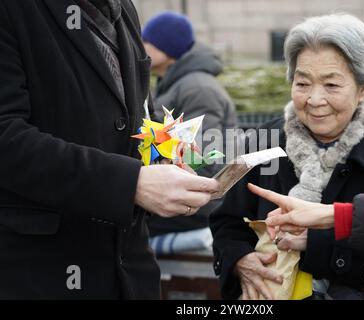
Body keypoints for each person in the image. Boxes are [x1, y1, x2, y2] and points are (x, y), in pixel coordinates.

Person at [0, 0, 218, 299]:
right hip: (39, 272)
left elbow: (137, 114)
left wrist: (167, 157)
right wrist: (131, 184)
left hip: (130, 270)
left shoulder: (123, 9)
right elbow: (7, 136)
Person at [209, 13, 364, 300]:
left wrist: (317, 247)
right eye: (302, 83)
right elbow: (227, 223)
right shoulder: (264, 144)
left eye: (332, 85)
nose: (314, 99)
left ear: (363, 88)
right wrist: (240, 261)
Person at [141, 12, 236, 237]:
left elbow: (200, 158)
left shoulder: (197, 88)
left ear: (167, 47)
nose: (140, 46)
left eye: (146, 41)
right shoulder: (175, 83)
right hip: (185, 195)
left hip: (198, 204)